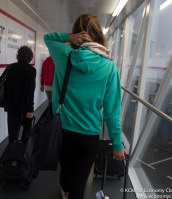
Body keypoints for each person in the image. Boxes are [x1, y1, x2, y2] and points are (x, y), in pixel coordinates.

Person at [44, 14, 126, 199]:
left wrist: (68, 37)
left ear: (76, 34)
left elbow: (48, 37)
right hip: (89, 136)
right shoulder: (109, 67)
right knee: (79, 184)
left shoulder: (64, 56)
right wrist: (117, 144)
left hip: (62, 131)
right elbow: (112, 112)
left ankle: (65, 192)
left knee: (65, 169)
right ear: (99, 36)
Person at [0, 46, 36, 144]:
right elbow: (30, 91)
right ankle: (22, 154)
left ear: (18, 56)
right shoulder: (31, 70)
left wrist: (6, 102)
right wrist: (30, 109)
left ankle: (12, 156)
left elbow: (1, 82)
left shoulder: (10, 67)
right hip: (25, 108)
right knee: (26, 133)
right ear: (30, 57)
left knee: (13, 133)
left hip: (11, 106)